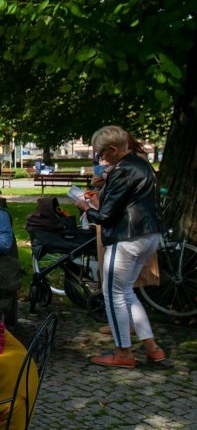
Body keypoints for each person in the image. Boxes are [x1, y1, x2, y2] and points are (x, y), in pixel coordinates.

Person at [76, 126, 165, 367]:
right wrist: (99, 201)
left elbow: (105, 216)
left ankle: (123, 352)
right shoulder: (140, 164)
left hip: (127, 237)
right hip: (148, 234)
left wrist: (87, 208)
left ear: (113, 149)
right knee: (125, 292)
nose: (100, 158)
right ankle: (152, 347)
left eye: (101, 153)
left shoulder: (123, 170)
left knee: (113, 294)